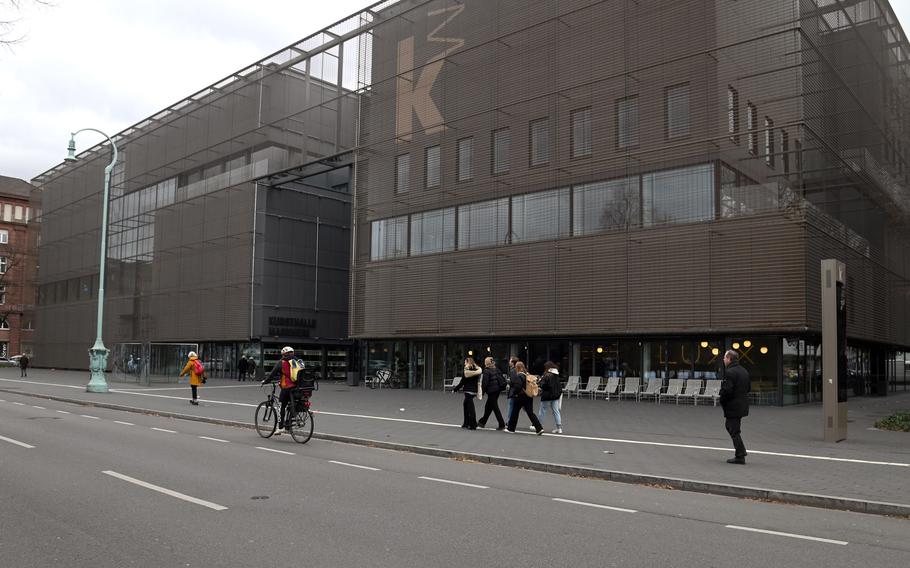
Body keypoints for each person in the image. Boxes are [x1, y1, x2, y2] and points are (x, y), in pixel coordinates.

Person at [720, 349, 751, 464]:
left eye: (724, 357)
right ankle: (741, 453)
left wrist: (722, 399)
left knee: (733, 429)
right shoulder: (744, 371)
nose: (723, 360)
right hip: (742, 405)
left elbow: (727, 390)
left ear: (729, 359)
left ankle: (740, 454)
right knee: (731, 427)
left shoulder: (730, 372)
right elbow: (748, 388)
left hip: (733, 406)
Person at [262, 346, 298, 434]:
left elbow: (272, 374)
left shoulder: (282, 362)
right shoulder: (298, 361)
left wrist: (265, 381)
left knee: (281, 407)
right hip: (298, 387)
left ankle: (281, 427)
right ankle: (290, 421)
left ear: (283, 354)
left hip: (287, 387)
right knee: (292, 404)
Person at [506, 361, 544, 435]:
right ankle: (539, 428)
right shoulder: (527, 375)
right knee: (530, 413)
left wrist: (514, 393)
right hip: (529, 396)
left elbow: (518, 386)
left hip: (520, 397)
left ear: (517, 367)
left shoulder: (519, 375)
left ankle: (511, 428)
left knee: (515, 412)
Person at [477, 356, 506, 430]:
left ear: (486, 363)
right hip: (497, 390)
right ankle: (482, 422)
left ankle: (501, 424)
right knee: (488, 407)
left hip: (491, 391)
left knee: (495, 407)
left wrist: (482, 393)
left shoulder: (486, 371)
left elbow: (485, 383)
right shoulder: (496, 369)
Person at [452, 356, 481, 430]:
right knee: (465, 405)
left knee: (470, 408)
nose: (464, 363)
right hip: (474, 390)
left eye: (465, 362)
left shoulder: (466, 371)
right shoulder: (476, 370)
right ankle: (466, 423)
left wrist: (455, 389)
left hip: (468, 390)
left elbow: (463, 381)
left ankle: (472, 425)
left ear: (467, 362)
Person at [537, 361, 563, 433]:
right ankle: (559, 428)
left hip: (547, 395)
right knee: (556, 411)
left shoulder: (546, 375)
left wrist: (540, 381)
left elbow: (543, 385)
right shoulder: (556, 374)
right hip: (555, 395)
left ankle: (539, 426)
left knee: (542, 411)